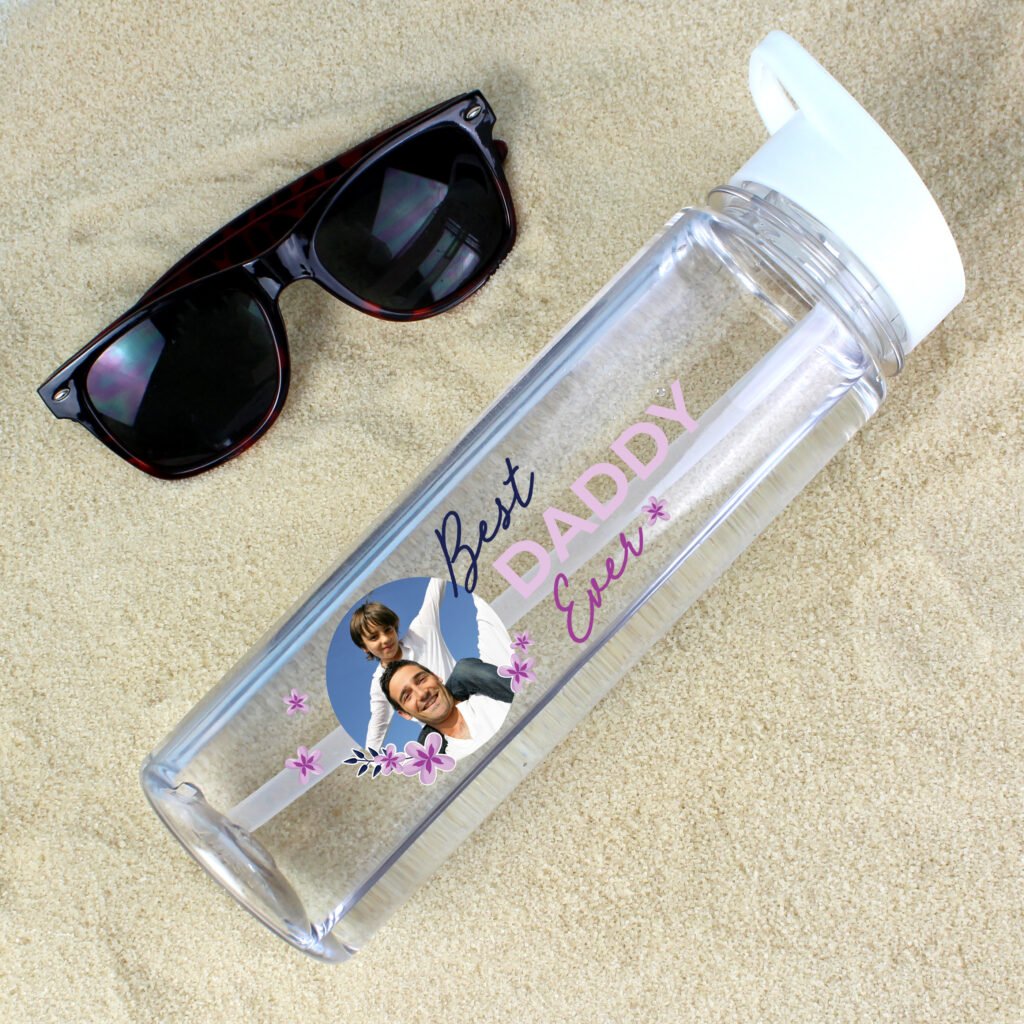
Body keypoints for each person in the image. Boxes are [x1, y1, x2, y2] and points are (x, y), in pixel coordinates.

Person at [350, 578, 456, 752]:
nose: (385, 639)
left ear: (394, 626)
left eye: (387, 630)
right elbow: (378, 724)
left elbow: (436, 587)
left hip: (470, 697)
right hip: (444, 731)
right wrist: (371, 760)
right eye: (374, 637)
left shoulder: (422, 631)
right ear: (364, 647)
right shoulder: (379, 684)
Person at [380, 657, 514, 758]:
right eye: (407, 696)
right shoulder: (444, 763)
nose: (422, 694)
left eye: (421, 680)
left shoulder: (492, 698)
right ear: (405, 714)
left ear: (436, 677)